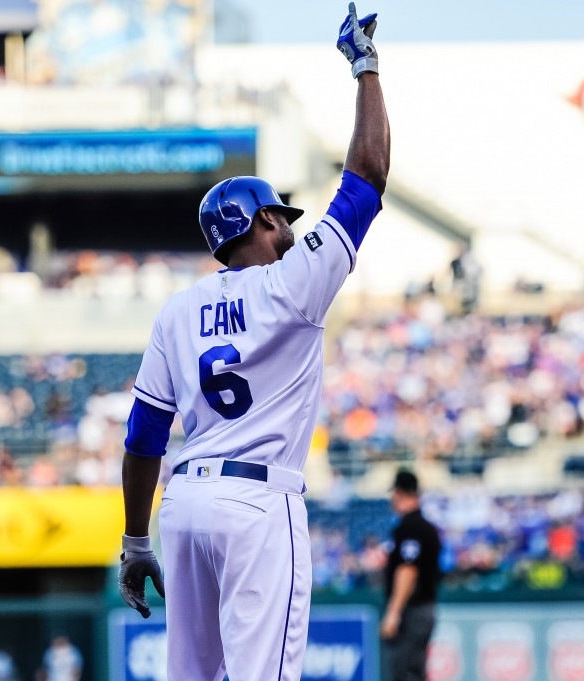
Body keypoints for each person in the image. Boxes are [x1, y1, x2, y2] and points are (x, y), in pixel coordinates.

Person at [116, 5, 389, 681]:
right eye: (283, 215)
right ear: (265, 218)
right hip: (256, 504)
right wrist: (366, 68)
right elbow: (368, 177)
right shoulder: (294, 281)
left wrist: (134, 538)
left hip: (183, 507)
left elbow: (144, 436)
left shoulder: (178, 310)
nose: (291, 226)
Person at [381, 470, 442, 681]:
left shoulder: (410, 526)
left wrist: (393, 612)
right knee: (414, 671)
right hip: (423, 610)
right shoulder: (426, 527)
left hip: (413, 611)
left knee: (403, 671)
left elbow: (408, 570)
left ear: (399, 492)